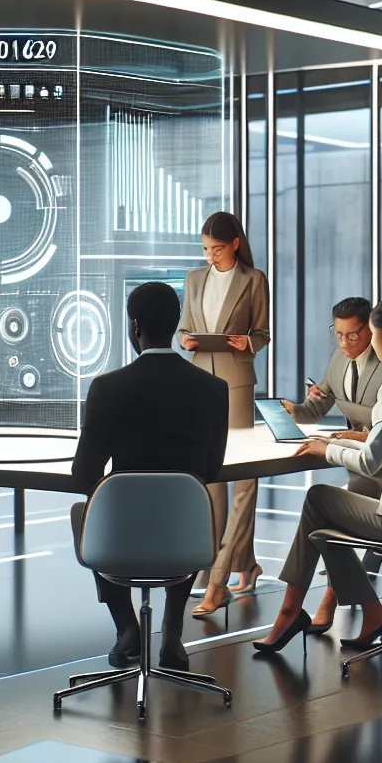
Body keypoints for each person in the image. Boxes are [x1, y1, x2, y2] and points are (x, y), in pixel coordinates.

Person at [253, 295, 382, 653]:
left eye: (370, 334)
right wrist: (333, 443)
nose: (367, 344)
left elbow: (372, 461)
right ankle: (369, 614)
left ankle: (290, 610)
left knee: (317, 499)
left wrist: (324, 448)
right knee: (323, 529)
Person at [71, 282, 230, 672]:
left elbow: (84, 475)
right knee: (185, 508)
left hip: (120, 540)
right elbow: (210, 469)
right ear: (176, 325)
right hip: (186, 540)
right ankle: (172, 632)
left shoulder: (107, 388)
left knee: (83, 510)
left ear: (135, 325)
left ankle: (127, 627)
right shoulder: (213, 389)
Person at [179, 210, 271, 618]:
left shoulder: (254, 280)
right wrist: (185, 339)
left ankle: (218, 578)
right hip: (199, 381)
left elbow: (263, 333)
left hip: (236, 381)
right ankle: (240, 564)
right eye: (205, 249)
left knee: (243, 478)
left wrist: (246, 343)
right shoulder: (194, 279)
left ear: (235, 243)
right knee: (210, 475)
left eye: (216, 248)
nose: (210, 256)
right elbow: (184, 327)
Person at [282, 296, 382, 498]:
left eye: (352, 336)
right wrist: (294, 411)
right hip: (357, 466)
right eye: (338, 334)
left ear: (370, 327)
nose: (344, 343)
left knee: (320, 501)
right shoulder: (338, 358)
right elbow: (316, 409)